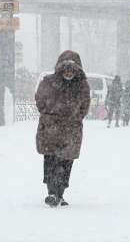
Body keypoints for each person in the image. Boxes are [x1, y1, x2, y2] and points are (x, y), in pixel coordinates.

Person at [35, 50, 91, 208]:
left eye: (72, 69)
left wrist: (74, 117)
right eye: (65, 69)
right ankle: (52, 192)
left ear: (77, 70)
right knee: (51, 160)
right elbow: (39, 100)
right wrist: (49, 114)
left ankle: (60, 193)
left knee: (65, 163)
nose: (68, 72)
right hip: (50, 129)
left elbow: (85, 106)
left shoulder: (82, 85)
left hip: (70, 130)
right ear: (60, 68)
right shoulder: (48, 81)